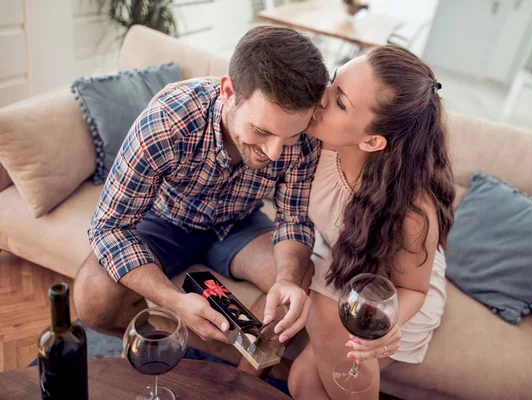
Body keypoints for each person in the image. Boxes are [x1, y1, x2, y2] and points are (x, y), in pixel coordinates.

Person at [73, 26, 329, 352]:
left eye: (290, 136)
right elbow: (109, 227)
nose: (276, 152)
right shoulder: (167, 122)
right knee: (92, 296)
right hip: (165, 220)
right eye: (261, 131)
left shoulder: (306, 139)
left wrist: (287, 280)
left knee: (300, 282)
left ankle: (244, 378)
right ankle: (157, 341)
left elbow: (293, 220)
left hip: (239, 223)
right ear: (228, 91)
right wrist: (174, 301)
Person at [288, 45, 455, 399]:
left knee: (307, 378)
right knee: (302, 380)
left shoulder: (413, 212)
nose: (320, 98)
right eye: (333, 82)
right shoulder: (315, 143)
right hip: (340, 258)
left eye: (340, 102)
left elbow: (413, 289)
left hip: (392, 289)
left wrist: (387, 323)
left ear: (372, 140)